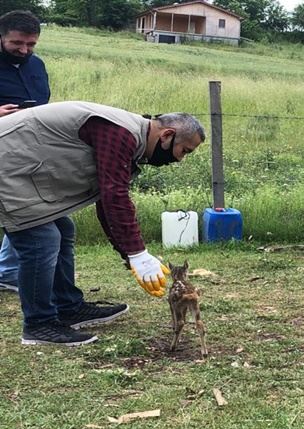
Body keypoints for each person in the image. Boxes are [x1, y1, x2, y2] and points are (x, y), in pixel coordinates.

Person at [0, 101, 206, 346]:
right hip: (8, 166)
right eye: (184, 151)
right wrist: (137, 254)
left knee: (63, 229)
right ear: (168, 135)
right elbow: (114, 195)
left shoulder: (129, 137)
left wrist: (130, 255)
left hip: (20, 166)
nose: (181, 159)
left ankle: (68, 307)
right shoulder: (120, 133)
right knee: (41, 240)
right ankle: (38, 325)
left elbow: (105, 200)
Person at [0, 10, 50, 292]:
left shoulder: (37, 65)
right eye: (17, 44)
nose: (24, 50)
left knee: (27, 211)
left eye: (31, 44)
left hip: (30, 148)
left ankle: (6, 271)